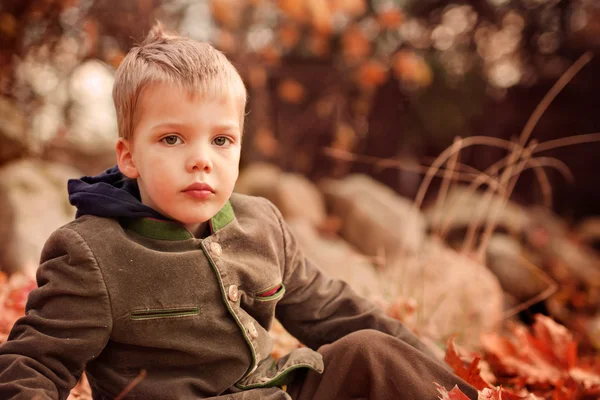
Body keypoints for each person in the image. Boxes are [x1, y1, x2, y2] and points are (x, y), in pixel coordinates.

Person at [0, 24, 478, 400]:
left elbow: (334, 311)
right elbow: (35, 364)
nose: (201, 158)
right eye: (172, 139)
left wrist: (440, 372)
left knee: (369, 352)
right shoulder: (93, 253)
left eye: (222, 140)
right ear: (129, 156)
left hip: (275, 392)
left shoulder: (261, 224)